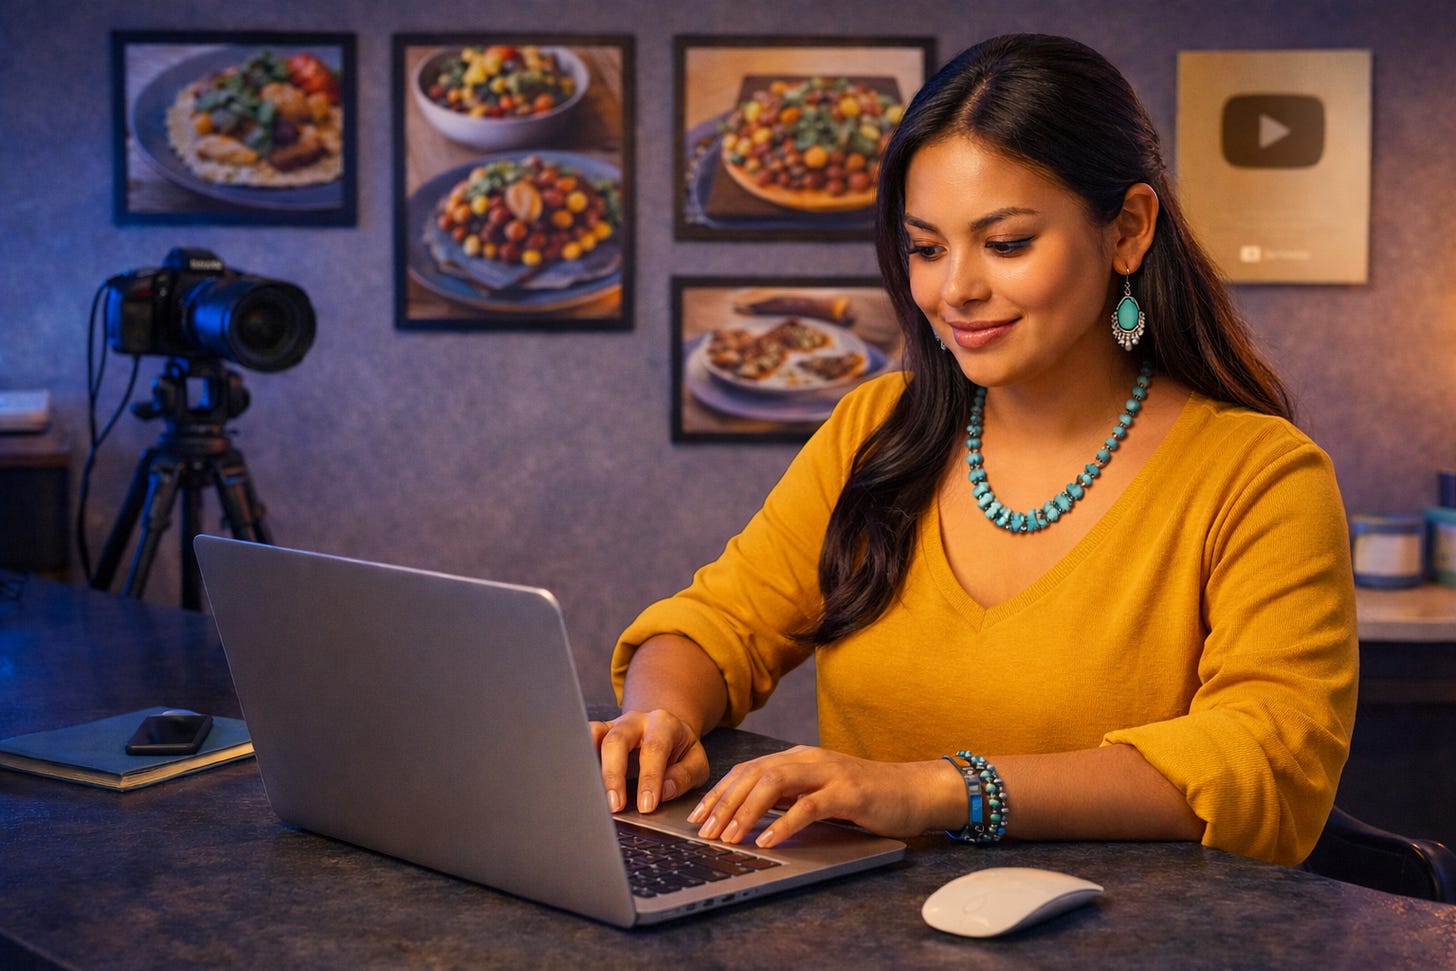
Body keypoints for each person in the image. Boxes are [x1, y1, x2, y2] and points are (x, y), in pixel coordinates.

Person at [592, 33, 1357, 867]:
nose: (954, 289)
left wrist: (937, 789)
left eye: (1006, 243)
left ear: (1129, 229)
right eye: (926, 248)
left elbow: (1264, 763)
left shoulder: (1262, 476)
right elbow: (717, 624)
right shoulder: (877, 427)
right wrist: (659, 716)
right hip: (863, 935)